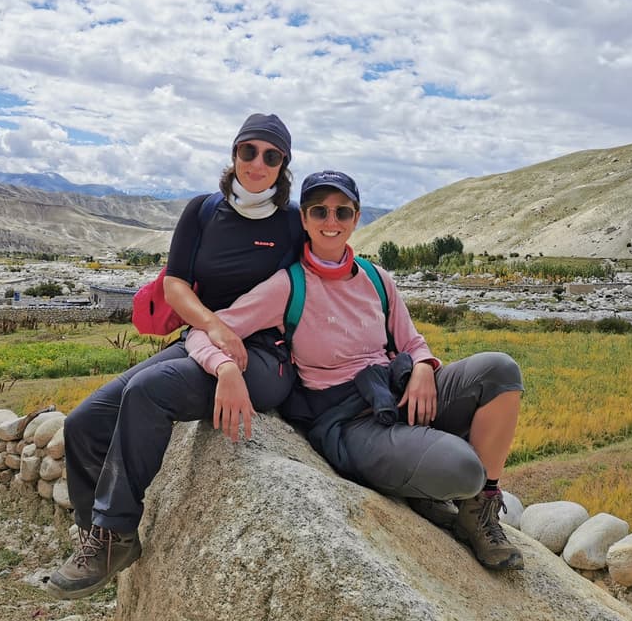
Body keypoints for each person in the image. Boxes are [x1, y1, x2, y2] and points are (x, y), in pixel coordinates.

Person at [185, 170, 526, 571]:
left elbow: (412, 341)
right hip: (350, 421)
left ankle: (479, 509)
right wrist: (225, 369)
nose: (331, 221)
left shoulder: (376, 278)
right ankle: (429, 484)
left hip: (396, 392)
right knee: (463, 470)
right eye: (319, 211)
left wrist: (422, 366)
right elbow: (205, 332)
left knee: (500, 370)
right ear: (304, 219)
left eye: (342, 212)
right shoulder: (287, 286)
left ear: (356, 217)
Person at [46, 113, 304, 599]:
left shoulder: (293, 221)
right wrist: (213, 327)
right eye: (248, 151)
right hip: (202, 338)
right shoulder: (203, 211)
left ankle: (115, 531)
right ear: (234, 154)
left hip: (263, 356)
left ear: (283, 165)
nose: (258, 163)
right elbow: (175, 284)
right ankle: (96, 538)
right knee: (83, 423)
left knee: (149, 392)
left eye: (271, 156)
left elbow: (327, 274)